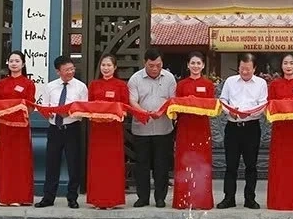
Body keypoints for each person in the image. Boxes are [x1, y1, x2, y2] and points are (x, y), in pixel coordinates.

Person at [35, 55, 89, 209]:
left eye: (72, 69)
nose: (70, 72)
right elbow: (44, 106)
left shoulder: (81, 87)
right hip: (54, 129)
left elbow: (84, 110)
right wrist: (50, 113)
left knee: (74, 164)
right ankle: (48, 197)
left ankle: (72, 197)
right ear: (58, 71)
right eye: (66, 70)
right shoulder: (50, 86)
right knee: (51, 164)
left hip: (72, 128)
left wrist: (70, 114)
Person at [217, 53, 268, 209]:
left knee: (251, 165)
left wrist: (249, 113)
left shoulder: (261, 83)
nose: (245, 72)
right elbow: (223, 100)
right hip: (233, 127)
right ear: (238, 67)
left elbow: (263, 104)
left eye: (248, 69)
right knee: (230, 165)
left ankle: (250, 199)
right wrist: (229, 112)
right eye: (242, 68)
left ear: (254, 68)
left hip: (251, 127)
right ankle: (229, 198)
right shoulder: (230, 82)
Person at [127, 48, 176, 207]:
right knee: (142, 165)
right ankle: (142, 197)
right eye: (151, 65)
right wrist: (144, 113)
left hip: (163, 129)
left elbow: (173, 101)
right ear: (144, 63)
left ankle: (160, 197)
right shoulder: (135, 79)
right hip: (142, 129)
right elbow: (132, 101)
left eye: (158, 65)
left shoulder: (169, 78)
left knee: (161, 165)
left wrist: (161, 111)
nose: (155, 69)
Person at [266, 53, 293, 211]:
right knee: (280, 166)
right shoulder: (274, 85)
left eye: (292, 63)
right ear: (281, 66)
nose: (289, 66)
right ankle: (278, 202)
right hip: (280, 131)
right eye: (286, 63)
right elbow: (269, 106)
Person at [173, 51, 217, 210]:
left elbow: (211, 105)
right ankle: (182, 200)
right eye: (193, 63)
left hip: (201, 128)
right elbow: (176, 106)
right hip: (185, 127)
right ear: (188, 65)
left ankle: (202, 201)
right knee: (184, 162)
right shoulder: (181, 85)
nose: (195, 66)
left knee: (202, 163)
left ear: (203, 66)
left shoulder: (208, 85)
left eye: (199, 63)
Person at [0, 50, 36, 206]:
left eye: (17, 61)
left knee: (20, 161)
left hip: (21, 128)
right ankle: (4, 197)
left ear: (23, 64)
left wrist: (18, 108)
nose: (14, 64)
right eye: (11, 61)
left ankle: (19, 197)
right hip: (4, 127)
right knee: (5, 161)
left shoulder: (28, 84)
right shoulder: (1, 83)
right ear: (7, 64)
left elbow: (30, 105)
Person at [87, 54, 130, 209]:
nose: (106, 68)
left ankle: (112, 200)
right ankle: (98, 200)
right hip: (98, 130)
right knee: (98, 164)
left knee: (112, 164)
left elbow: (125, 107)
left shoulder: (121, 85)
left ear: (115, 67)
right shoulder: (93, 85)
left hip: (113, 130)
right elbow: (89, 106)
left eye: (109, 65)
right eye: (103, 65)